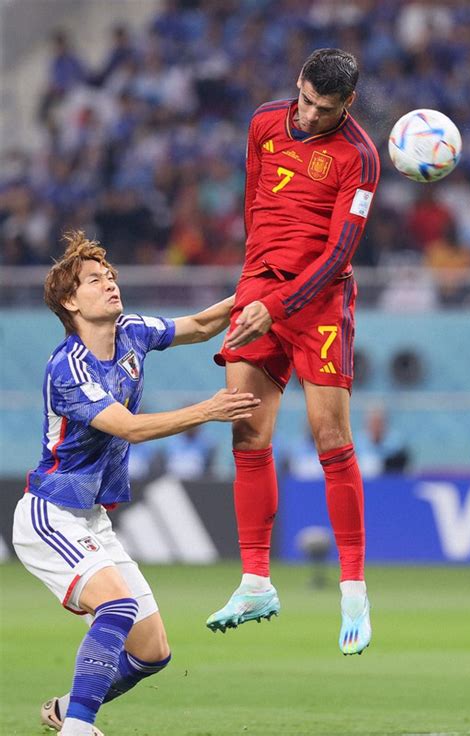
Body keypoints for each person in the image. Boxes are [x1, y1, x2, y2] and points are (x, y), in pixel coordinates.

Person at [12, 231, 260, 736]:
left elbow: (203, 325)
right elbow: (129, 427)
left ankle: (64, 708)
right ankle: (80, 728)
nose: (110, 285)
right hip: (49, 513)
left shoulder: (132, 330)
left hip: (93, 518)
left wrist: (268, 293)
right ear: (68, 301)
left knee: (152, 653)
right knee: (118, 606)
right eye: (94, 281)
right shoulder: (68, 367)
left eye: (110, 277)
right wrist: (208, 410)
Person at [205, 48, 380, 656]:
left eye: (322, 108)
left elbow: (337, 256)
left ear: (347, 105)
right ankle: (256, 581)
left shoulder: (360, 157)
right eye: (303, 99)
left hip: (319, 303)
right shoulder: (262, 124)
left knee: (331, 438)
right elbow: (257, 210)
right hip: (261, 290)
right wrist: (252, 286)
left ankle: (353, 587)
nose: (306, 115)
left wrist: (277, 305)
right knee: (246, 431)